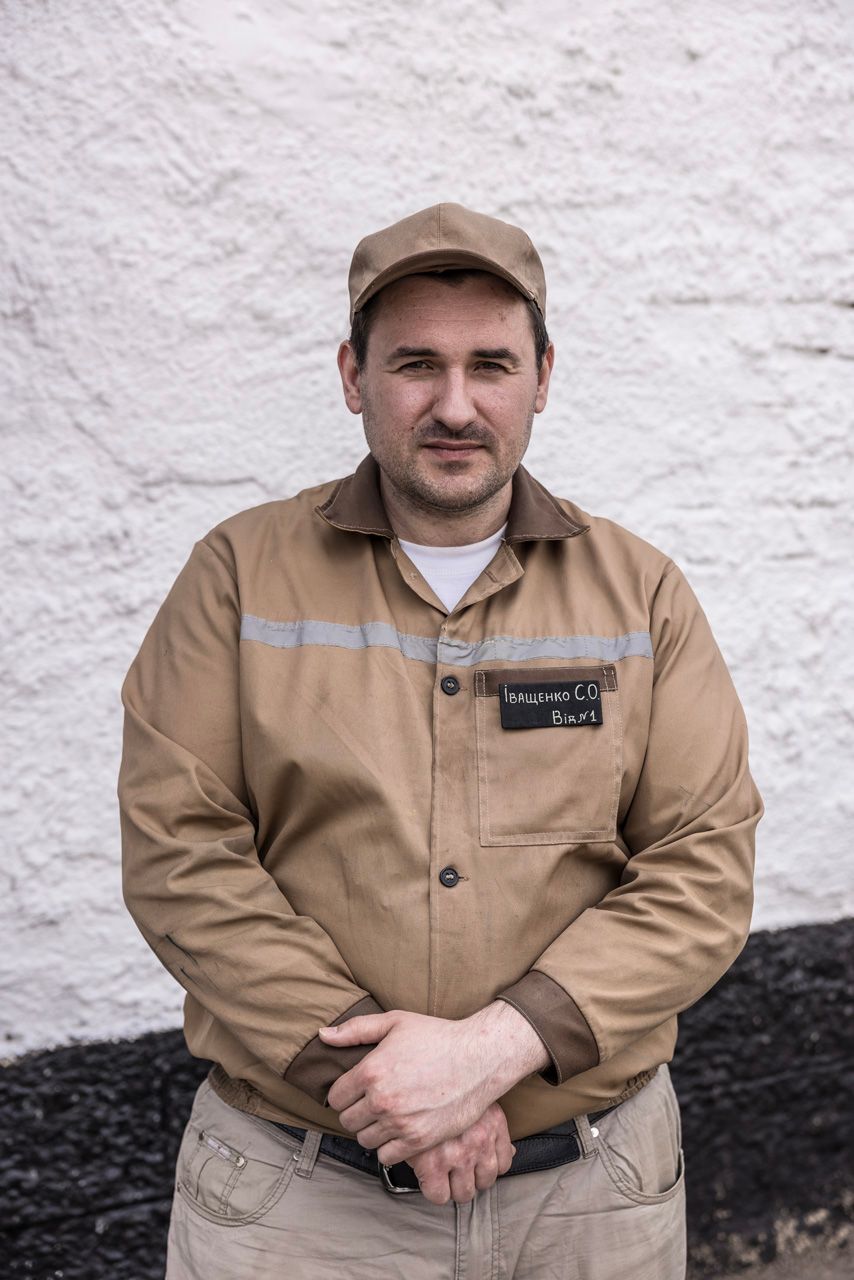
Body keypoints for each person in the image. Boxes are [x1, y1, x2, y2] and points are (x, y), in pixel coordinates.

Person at [118, 202, 762, 1279]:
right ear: (352, 375)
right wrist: (387, 1089)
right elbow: (180, 856)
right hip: (300, 1201)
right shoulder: (236, 577)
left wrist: (492, 1051)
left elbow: (703, 866)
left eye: (490, 365)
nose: (455, 405)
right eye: (416, 364)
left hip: (589, 1198)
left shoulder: (641, 594)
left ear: (542, 377)